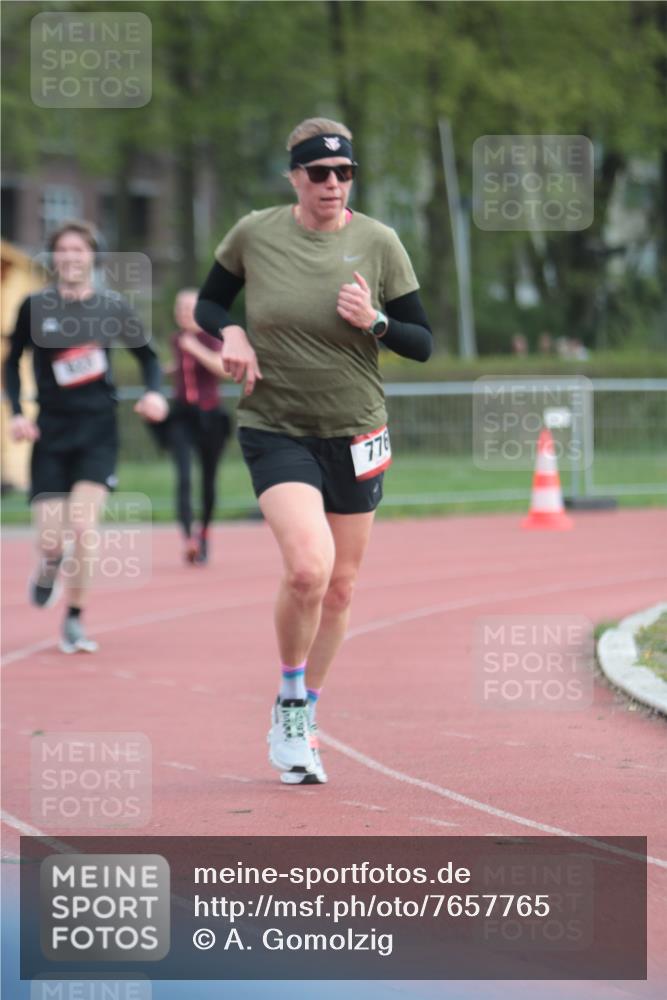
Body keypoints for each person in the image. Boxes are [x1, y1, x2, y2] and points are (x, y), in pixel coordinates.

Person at [196, 117, 432, 785]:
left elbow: (421, 341)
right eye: (318, 172)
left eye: (343, 172)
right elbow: (210, 305)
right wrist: (232, 335)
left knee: (341, 587)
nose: (331, 184)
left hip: (356, 431)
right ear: (294, 177)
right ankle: (292, 704)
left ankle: (303, 708)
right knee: (308, 570)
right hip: (277, 426)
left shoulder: (378, 242)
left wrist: (376, 320)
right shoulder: (255, 233)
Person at [4, 220, 168, 653]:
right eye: (63, 250)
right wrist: (18, 413)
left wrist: (154, 392)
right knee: (51, 539)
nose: (72, 257)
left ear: (92, 257)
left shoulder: (111, 306)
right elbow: (11, 360)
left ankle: (75, 619)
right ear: (54, 258)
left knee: (83, 526)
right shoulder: (35, 307)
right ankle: (48, 564)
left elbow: (149, 359)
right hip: (52, 431)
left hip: (98, 430)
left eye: (80, 250)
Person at [159, 289, 231, 564]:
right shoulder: (176, 340)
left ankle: (205, 533)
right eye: (180, 308)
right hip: (182, 416)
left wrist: (196, 349)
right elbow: (182, 368)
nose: (183, 313)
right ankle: (188, 537)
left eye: (189, 308)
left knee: (208, 478)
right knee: (184, 476)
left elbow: (223, 369)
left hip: (210, 414)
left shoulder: (211, 338)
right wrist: (169, 369)